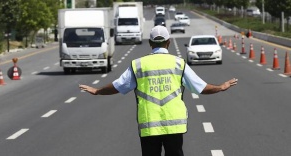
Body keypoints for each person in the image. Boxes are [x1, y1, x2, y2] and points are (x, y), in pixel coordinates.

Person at [79, 25, 238, 156]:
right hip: (174, 125)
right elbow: (201, 87)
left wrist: (97, 90)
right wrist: (221, 87)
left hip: (149, 126)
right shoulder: (178, 64)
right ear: (168, 42)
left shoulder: (139, 65)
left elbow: (118, 86)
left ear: (150, 43)